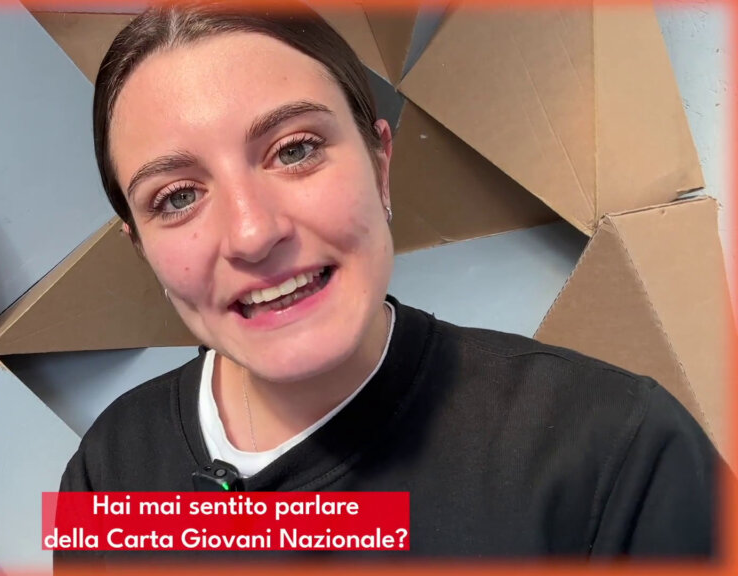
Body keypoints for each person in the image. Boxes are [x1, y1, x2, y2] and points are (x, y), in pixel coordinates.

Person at [58, 0, 719, 560]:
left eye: (295, 150)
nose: (253, 233)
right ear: (142, 249)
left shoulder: (617, 457)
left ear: (380, 165)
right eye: (177, 197)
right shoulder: (108, 469)